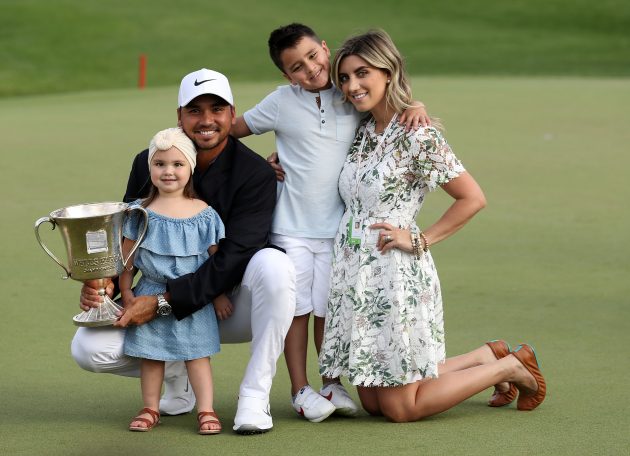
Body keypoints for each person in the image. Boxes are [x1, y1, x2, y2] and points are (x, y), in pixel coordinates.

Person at [318, 29, 546, 422]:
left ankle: (508, 368)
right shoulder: (361, 132)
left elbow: (472, 198)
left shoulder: (417, 135)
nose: (352, 85)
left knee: (400, 408)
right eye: (344, 77)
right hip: (356, 271)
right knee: (373, 402)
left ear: (388, 72)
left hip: (395, 272)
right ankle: (485, 355)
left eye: (362, 73)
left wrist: (420, 239)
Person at [71, 69, 296, 435]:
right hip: (156, 297)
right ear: (179, 116)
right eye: (195, 110)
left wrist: (163, 302)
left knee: (275, 266)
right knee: (88, 349)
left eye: (217, 109)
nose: (206, 120)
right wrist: (104, 284)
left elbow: (234, 256)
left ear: (231, 114)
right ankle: (175, 370)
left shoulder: (254, 172)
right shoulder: (149, 160)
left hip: (230, 304)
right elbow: (128, 233)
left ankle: (254, 395)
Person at [229, 23, 431, 422]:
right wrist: (262, 166)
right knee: (297, 309)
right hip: (291, 228)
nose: (310, 69)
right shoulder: (280, 102)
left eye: (312, 56)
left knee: (330, 308)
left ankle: (331, 382)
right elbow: (231, 132)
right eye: (296, 68)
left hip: (339, 229)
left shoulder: (349, 94)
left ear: (324, 48)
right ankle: (299, 389)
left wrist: (415, 105)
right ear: (286, 76)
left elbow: (387, 106)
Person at [121, 127, 227, 434]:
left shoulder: (204, 214)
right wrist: (126, 291)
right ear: (150, 168)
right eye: (160, 164)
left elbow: (216, 262)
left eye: (177, 164)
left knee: (197, 355)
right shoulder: (139, 212)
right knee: (152, 356)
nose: (168, 171)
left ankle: (206, 409)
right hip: (149, 291)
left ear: (190, 168)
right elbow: (127, 259)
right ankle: (150, 406)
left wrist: (218, 295)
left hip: (194, 297)